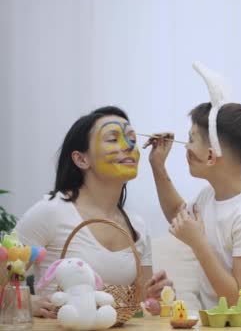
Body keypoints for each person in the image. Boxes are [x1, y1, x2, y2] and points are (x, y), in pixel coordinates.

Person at [17, 106, 172, 318]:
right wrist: (28, 301)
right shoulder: (50, 212)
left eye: (132, 139)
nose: (128, 146)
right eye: (112, 139)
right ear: (81, 159)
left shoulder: (137, 225)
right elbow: (5, 282)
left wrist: (157, 296)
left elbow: (142, 304)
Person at [144, 63, 241, 308]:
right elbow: (178, 215)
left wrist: (198, 243)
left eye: (192, 138)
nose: (185, 147)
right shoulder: (209, 197)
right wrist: (157, 165)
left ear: (211, 155)